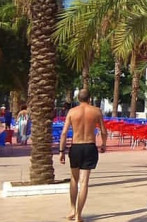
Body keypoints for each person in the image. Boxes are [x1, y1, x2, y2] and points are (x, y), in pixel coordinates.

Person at [59, 89, 107, 222]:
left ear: (78, 99)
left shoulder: (72, 112)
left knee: (74, 179)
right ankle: (79, 215)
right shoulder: (96, 111)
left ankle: (72, 209)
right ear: (89, 99)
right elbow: (103, 131)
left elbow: (64, 133)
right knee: (84, 182)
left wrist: (61, 151)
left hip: (76, 147)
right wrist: (103, 144)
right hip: (89, 146)